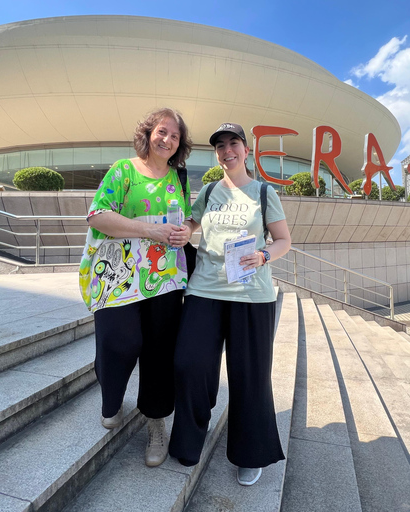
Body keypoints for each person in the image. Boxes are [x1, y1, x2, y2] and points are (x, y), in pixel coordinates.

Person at [169, 123, 292, 486]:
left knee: (249, 376)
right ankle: (191, 439)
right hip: (204, 291)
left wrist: (264, 255)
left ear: (246, 149)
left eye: (233, 144)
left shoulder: (264, 192)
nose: (227, 151)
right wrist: (184, 231)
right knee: (189, 363)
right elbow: (192, 223)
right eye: (220, 146)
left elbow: (284, 239)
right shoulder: (208, 191)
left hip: (251, 296)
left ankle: (249, 453)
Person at [78, 107, 193, 467]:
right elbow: (98, 215)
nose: (168, 140)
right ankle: (111, 398)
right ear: (148, 133)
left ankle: (156, 421)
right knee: (119, 341)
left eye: (175, 136)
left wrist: (187, 229)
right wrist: (149, 230)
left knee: (160, 352)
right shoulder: (123, 170)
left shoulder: (179, 177)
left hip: (165, 278)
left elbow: (187, 217)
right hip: (121, 275)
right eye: (162, 131)